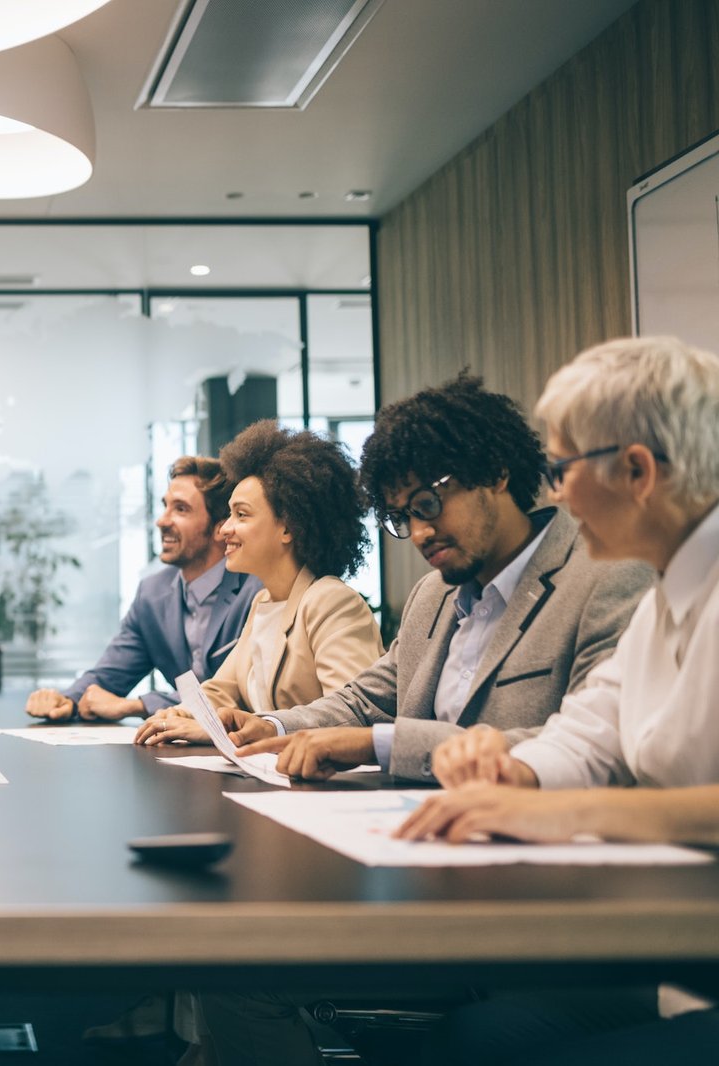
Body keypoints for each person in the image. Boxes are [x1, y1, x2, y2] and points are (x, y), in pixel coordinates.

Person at [177, 375, 651, 1066]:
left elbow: (582, 742)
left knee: (243, 982)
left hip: (546, 918)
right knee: (226, 966)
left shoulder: (601, 576)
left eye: (430, 504)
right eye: (402, 516)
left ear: (498, 472)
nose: (421, 532)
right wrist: (277, 728)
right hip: (426, 884)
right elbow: (368, 695)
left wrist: (376, 742)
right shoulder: (436, 593)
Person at [394, 336, 719, 1065]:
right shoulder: (667, 594)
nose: (556, 494)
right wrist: (514, 772)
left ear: (636, 471)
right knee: (465, 1044)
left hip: (694, 967)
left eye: (563, 468)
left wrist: (564, 809)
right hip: (681, 962)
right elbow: (587, 734)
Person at [134, 421, 382, 745]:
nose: (224, 529)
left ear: (288, 528)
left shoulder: (331, 602)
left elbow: (353, 714)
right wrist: (177, 715)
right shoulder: (264, 601)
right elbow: (223, 690)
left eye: (242, 515)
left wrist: (249, 728)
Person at [26, 456, 259, 722]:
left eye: (180, 509)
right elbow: (110, 674)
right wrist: (67, 700)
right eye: (165, 507)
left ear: (221, 527)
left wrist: (138, 705)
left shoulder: (255, 591)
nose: (162, 521)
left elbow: (237, 695)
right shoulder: (153, 594)